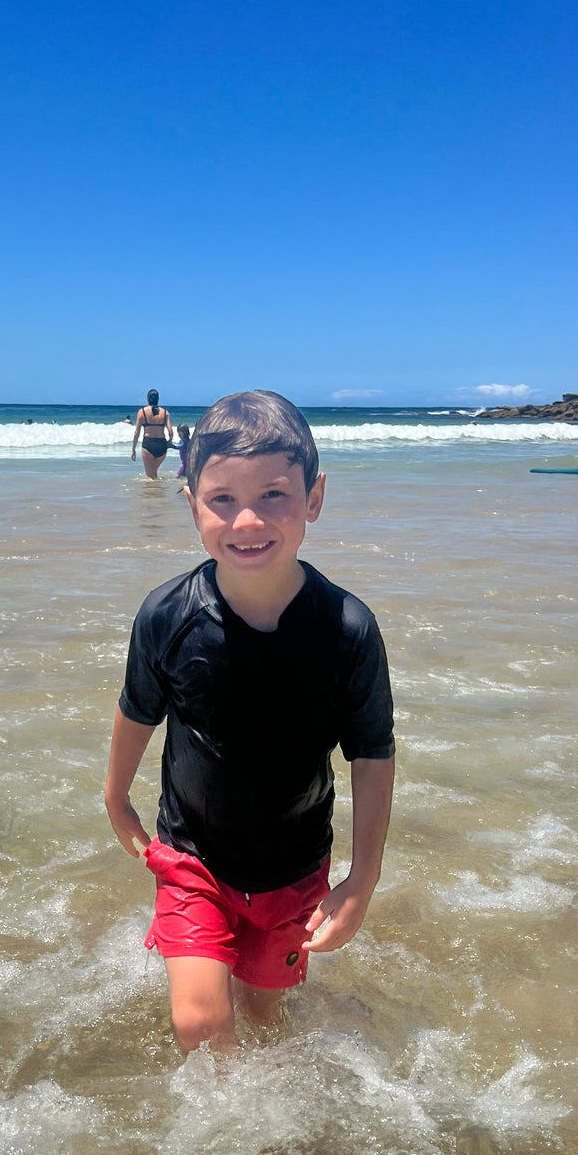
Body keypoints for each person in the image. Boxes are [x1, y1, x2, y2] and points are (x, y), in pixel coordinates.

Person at [104, 390, 395, 1053]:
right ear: (192, 505)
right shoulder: (167, 615)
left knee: (266, 1016)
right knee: (201, 1023)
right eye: (223, 499)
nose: (247, 521)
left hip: (295, 865)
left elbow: (372, 753)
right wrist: (116, 799)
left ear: (314, 498)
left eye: (273, 496)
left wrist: (363, 877)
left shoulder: (348, 629)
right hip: (192, 858)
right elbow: (138, 708)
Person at [132, 389, 173, 479]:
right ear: (158, 399)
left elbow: (137, 432)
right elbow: (170, 431)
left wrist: (133, 449)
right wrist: (169, 442)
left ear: (147, 399)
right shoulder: (165, 413)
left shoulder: (142, 412)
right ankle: (158, 488)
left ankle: (151, 488)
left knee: (149, 476)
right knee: (154, 473)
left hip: (148, 444)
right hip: (162, 445)